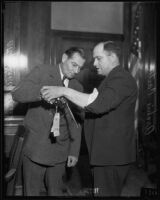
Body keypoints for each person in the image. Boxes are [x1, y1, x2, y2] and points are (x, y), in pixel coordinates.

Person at [40, 41, 138, 196]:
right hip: (104, 156)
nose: (94, 63)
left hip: (111, 158)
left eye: (99, 58)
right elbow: (93, 107)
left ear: (112, 57)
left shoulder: (121, 79)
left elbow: (97, 105)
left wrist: (63, 91)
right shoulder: (111, 79)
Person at [12, 47, 86, 196]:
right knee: (31, 192)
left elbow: (76, 123)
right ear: (64, 58)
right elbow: (17, 93)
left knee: (56, 192)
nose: (77, 71)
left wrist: (74, 152)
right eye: (74, 64)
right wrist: (41, 92)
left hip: (60, 151)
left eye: (80, 67)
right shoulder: (42, 71)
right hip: (36, 147)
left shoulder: (77, 87)